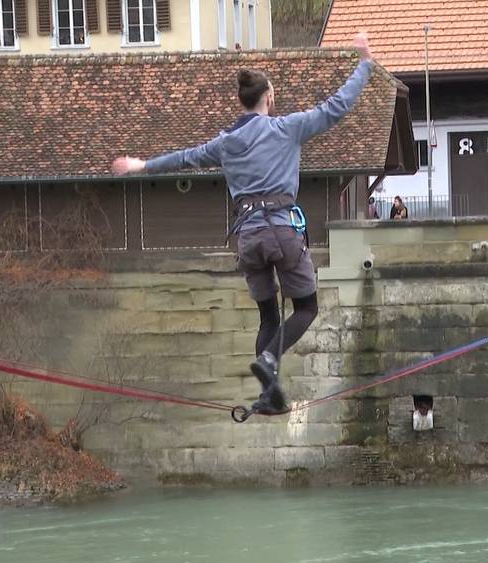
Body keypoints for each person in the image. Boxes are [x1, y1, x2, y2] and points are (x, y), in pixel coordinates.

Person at [110, 32, 375, 415]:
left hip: (248, 236)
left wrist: (142, 165)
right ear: (268, 97)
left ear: (241, 100)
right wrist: (364, 64)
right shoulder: (288, 128)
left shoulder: (227, 142)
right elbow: (336, 106)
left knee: (268, 315)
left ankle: (268, 396)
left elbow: (187, 158)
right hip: (282, 231)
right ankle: (269, 361)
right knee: (306, 308)